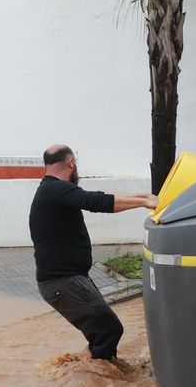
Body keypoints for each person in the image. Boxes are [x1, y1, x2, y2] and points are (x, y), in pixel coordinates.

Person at [29, 144, 158, 361]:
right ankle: (98, 378)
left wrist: (139, 196)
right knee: (108, 331)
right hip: (63, 283)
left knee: (103, 332)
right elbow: (97, 201)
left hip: (67, 282)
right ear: (71, 163)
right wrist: (145, 202)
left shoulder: (52, 190)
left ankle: (94, 371)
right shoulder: (55, 190)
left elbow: (99, 196)